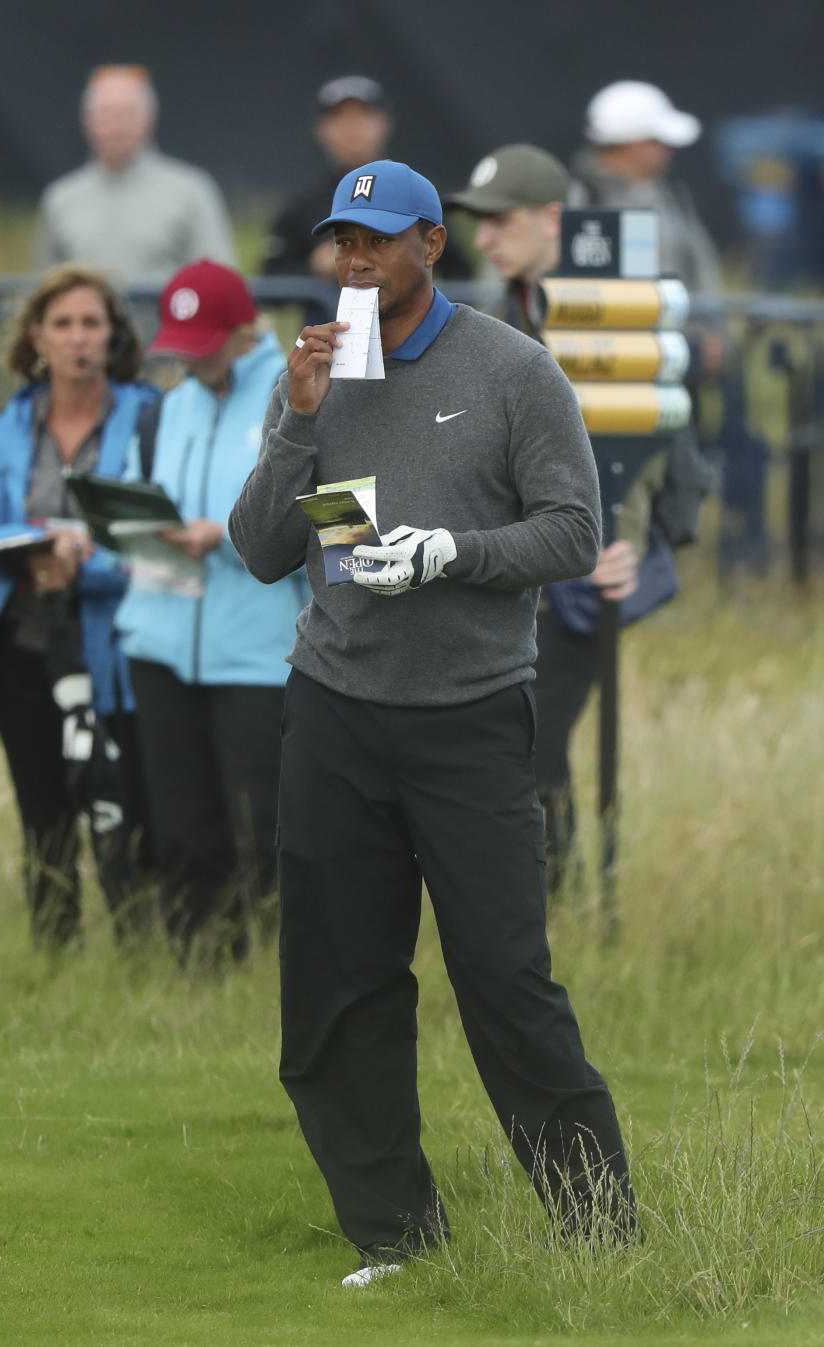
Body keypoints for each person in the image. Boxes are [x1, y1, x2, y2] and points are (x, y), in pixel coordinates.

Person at [230, 159, 638, 1286]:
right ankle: (395, 1235)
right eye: (341, 245)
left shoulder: (515, 372)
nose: (354, 264)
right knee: (341, 983)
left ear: (431, 247)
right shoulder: (313, 376)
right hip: (336, 713)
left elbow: (567, 534)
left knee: (506, 980)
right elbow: (263, 548)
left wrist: (456, 554)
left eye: (376, 243)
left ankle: (603, 1231)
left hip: (467, 721)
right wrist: (302, 423)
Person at [447, 144, 669, 892]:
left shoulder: (607, 314)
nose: (483, 239)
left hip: (581, 569)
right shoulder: (503, 310)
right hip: (517, 565)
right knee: (525, 736)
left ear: (552, 218)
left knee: (530, 737)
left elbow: (648, 438)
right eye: (477, 223)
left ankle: (560, 897)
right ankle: (557, 893)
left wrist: (628, 540)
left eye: (499, 221)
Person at [0, 265, 159, 947]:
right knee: (45, 818)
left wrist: (88, 557)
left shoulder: (148, 418)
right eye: (61, 324)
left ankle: (143, 959)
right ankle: (54, 962)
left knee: (128, 810)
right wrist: (38, 545)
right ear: (36, 337)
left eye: (92, 323)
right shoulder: (1, 432)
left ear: (114, 335)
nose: (77, 339)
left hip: (118, 647)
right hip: (25, 650)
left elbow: (159, 534)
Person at [115, 260, 306, 961]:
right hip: (161, 648)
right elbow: (137, 495)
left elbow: (332, 522)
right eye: (180, 345)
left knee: (262, 831)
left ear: (245, 331)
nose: (189, 361)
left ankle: (279, 972)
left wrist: (222, 538)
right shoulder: (162, 411)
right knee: (182, 830)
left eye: (204, 344)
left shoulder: (299, 401)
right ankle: (196, 969)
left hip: (260, 654)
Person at [262, 75, 472, 287]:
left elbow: (461, 273)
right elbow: (269, 280)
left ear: (384, 123)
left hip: (403, 316)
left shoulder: (416, 194)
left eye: (363, 116)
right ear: (321, 130)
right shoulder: (302, 207)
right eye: (340, 118)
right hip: (331, 317)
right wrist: (314, 266)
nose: (353, 128)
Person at [35, 66, 236, 280]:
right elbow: (46, 286)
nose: (117, 126)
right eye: (106, 114)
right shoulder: (61, 199)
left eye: (128, 113)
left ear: (149, 119)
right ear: (88, 121)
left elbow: (218, 282)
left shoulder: (191, 192)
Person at [568, 81, 722, 297]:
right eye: (657, 141)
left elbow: (701, 264)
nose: (667, 151)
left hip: (680, 326)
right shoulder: (577, 197)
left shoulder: (671, 195)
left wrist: (711, 322)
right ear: (632, 143)